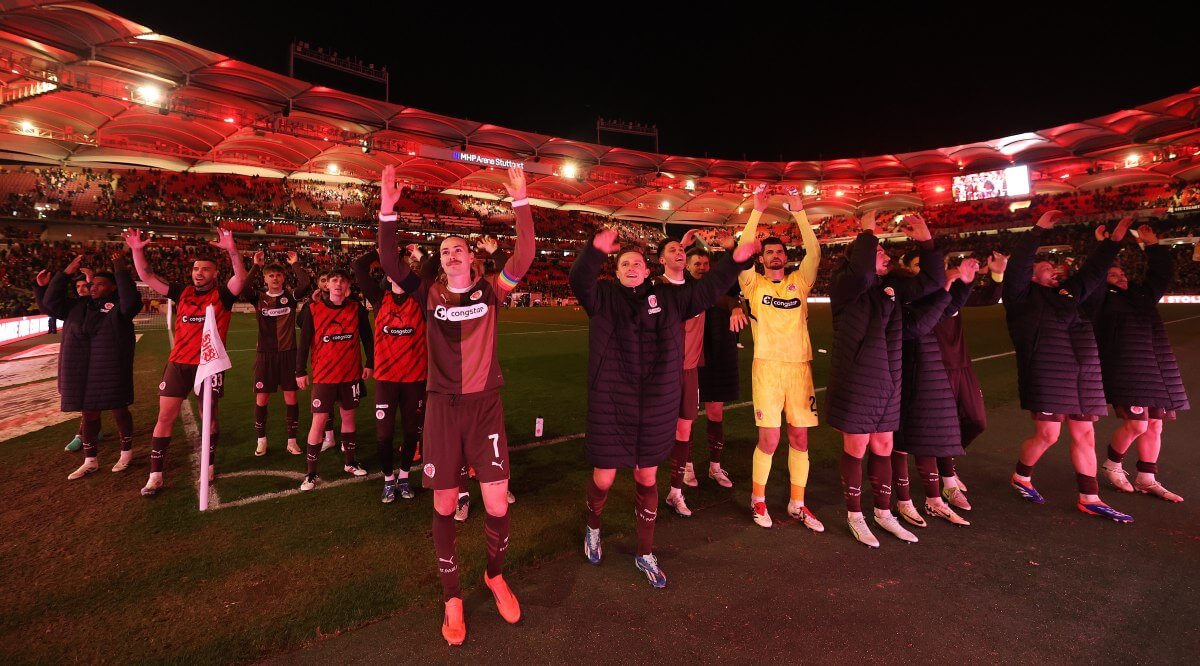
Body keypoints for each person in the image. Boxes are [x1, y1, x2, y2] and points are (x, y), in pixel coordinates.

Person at [377, 164, 533, 646]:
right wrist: (387, 209)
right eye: (444, 251)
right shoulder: (429, 294)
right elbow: (388, 259)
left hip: (485, 406)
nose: (450, 254)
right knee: (445, 502)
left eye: (458, 248)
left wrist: (521, 201)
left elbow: (525, 253)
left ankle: (493, 574)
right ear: (441, 262)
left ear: (470, 257)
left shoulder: (492, 292)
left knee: (493, 501)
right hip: (443, 408)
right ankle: (452, 596)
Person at [570, 226, 757, 588]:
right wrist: (594, 251)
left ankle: (645, 551)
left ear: (646, 269)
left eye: (637, 262)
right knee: (604, 477)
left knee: (646, 477)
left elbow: (708, 289)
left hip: (655, 403)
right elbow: (580, 279)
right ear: (616, 270)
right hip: (612, 403)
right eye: (624, 262)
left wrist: (734, 261)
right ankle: (592, 527)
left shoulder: (669, 298)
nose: (631, 267)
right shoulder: (602, 297)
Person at [1004, 212, 1134, 522]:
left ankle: (1089, 497)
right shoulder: (1021, 296)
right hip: (1047, 373)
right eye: (1044, 268)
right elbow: (1019, 266)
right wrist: (1036, 232)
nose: (1052, 271)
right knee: (1048, 435)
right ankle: (1021, 476)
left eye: (1052, 267)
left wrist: (1113, 243)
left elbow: (1092, 271)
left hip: (1083, 374)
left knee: (1085, 434)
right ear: (1032, 277)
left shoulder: (1068, 294)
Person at [825, 211, 944, 547]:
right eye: (878, 252)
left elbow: (932, 281)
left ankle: (882, 513)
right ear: (859, 256)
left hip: (888, 378)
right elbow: (862, 271)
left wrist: (926, 240)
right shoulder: (845, 284)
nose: (886, 255)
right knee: (857, 446)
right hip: (857, 379)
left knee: (885, 446)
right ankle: (855, 516)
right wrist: (867, 232)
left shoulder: (891, 287)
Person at [125, 228, 247, 497]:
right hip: (178, 364)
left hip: (209, 367)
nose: (199, 272)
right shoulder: (181, 293)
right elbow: (146, 276)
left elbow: (240, 276)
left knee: (210, 419)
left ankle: (209, 464)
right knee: (165, 416)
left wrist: (231, 250)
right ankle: (155, 474)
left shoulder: (223, 296)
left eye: (205, 269)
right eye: (195, 268)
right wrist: (137, 250)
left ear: (215, 274)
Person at [737, 185, 824, 531]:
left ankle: (797, 503)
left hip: (800, 369)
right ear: (761, 258)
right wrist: (757, 211)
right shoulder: (753, 285)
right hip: (768, 370)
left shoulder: (799, 283)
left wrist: (799, 211)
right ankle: (758, 499)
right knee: (770, 439)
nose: (774, 255)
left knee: (800, 438)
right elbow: (741, 252)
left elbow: (814, 252)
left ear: (785, 257)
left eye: (778, 252)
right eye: (768, 251)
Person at [1085, 224, 1188, 502]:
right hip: (1126, 370)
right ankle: (1113, 464)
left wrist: (1153, 246)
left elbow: (1161, 275)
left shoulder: (1140, 296)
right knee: (1138, 425)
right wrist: (1105, 248)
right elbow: (1092, 279)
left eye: (1122, 273)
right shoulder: (1099, 300)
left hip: (1156, 368)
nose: (1121, 278)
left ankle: (1147, 478)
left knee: (1155, 425)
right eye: (1113, 274)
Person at [890, 256, 976, 528]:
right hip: (903, 375)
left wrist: (964, 285)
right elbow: (918, 326)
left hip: (926, 372)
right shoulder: (898, 304)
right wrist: (945, 286)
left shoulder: (920, 302)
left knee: (926, 435)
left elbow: (947, 309)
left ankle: (934, 500)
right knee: (902, 443)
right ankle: (904, 502)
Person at [40, 252, 141, 480]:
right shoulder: (78, 306)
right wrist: (64, 274)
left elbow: (131, 300)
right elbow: (50, 303)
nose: (93, 287)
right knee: (89, 415)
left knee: (119, 409)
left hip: (111, 367)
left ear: (113, 288)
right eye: (92, 284)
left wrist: (119, 268)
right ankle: (90, 460)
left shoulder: (120, 307)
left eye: (101, 284)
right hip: (82, 370)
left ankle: (126, 452)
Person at [930, 251, 1008, 511]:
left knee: (977, 421)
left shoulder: (954, 292)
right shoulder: (918, 297)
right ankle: (948, 481)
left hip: (962, 367)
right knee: (944, 427)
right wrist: (960, 276)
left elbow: (989, 297)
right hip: (934, 370)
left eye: (939, 264)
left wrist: (996, 273)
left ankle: (946, 458)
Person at [352, 246, 428, 503]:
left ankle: (404, 476)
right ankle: (387, 479)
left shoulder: (419, 296)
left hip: (415, 379)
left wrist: (418, 255)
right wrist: (380, 252)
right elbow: (358, 267)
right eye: (393, 267)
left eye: (402, 267)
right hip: (386, 379)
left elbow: (430, 269)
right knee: (384, 435)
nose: (397, 272)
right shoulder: (378, 296)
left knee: (410, 434)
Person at [295, 270, 373, 490]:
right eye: (334, 280)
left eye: (343, 280)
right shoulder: (313, 309)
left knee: (348, 417)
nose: (338, 284)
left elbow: (367, 337)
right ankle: (311, 473)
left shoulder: (356, 308)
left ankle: (350, 462)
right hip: (324, 376)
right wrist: (299, 371)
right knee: (318, 421)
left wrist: (370, 363)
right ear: (327, 285)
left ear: (348, 285)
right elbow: (304, 342)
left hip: (350, 375)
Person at [691, 237, 747, 490]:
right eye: (697, 264)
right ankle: (687, 467)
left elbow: (725, 294)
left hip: (716, 359)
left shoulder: (718, 288)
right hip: (689, 361)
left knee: (715, 413)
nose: (702, 267)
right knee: (686, 418)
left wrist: (735, 306)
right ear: (687, 267)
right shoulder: (682, 288)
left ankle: (715, 466)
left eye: (705, 263)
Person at [244, 251, 310, 456]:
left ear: (283, 278)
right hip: (265, 355)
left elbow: (306, 285)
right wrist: (255, 266)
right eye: (271, 275)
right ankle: (261, 440)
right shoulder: (259, 298)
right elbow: (244, 287)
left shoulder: (289, 298)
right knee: (262, 399)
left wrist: (296, 264)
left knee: (291, 397)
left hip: (288, 354)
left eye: (278, 275)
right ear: (265, 278)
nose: (275, 278)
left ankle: (292, 441)